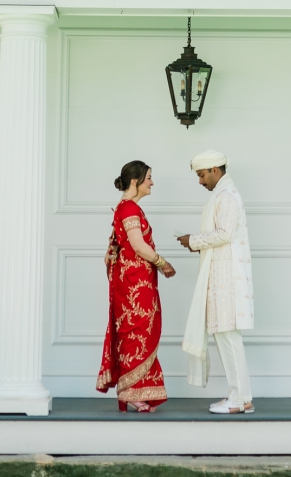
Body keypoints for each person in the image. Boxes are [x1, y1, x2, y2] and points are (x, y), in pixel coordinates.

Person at [177, 150, 254, 414]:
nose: (200, 181)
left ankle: (240, 398)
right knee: (225, 336)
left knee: (228, 337)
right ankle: (240, 396)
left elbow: (223, 233)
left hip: (228, 278)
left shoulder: (227, 196)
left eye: (201, 175)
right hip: (222, 276)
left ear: (215, 170)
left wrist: (194, 240)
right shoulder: (221, 195)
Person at [97, 158, 174, 412]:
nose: (152, 182)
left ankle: (135, 390)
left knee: (138, 333)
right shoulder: (129, 209)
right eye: (149, 177)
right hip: (134, 286)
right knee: (136, 333)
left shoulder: (125, 207)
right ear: (135, 181)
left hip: (134, 282)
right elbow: (139, 246)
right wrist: (163, 263)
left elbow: (115, 248)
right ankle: (131, 391)